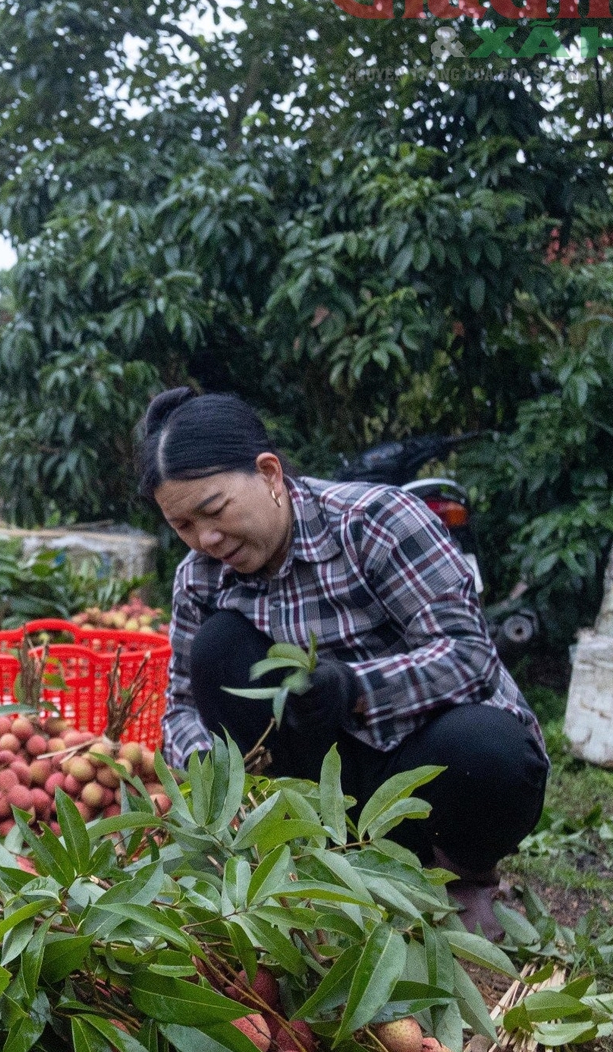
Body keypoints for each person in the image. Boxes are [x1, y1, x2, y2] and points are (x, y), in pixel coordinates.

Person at [139, 387, 547, 934]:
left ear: (269, 474)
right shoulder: (200, 577)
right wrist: (220, 790)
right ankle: (318, 861)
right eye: (184, 526)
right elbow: (180, 713)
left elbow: (468, 655)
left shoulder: (374, 522)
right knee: (218, 649)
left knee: (491, 750)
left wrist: (354, 687)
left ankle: (460, 874)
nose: (206, 538)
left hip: (416, 762)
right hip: (316, 787)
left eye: (214, 511)